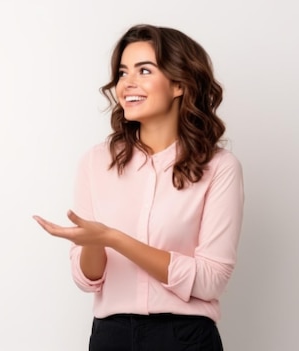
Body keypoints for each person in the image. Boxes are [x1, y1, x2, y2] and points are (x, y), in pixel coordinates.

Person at [33, 24, 244, 350]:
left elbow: (210, 280)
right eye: (122, 72)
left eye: (144, 70)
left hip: (184, 339)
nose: (127, 84)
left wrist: (114, 239)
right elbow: (88, 280)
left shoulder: (219, 167)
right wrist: (93, 243)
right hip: (110, 337)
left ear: (179, 83)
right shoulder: (96, 162)